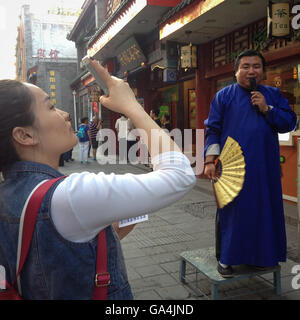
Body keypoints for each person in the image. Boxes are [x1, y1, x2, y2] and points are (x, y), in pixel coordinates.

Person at [0, 58, 196, 300]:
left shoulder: (7, 194)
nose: (64, 114)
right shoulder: (70, 194)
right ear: (25, 135)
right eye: (50, 107)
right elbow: (180, 175)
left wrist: (101, 237)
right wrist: (132, 106)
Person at [203, 49, 297, 278]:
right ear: (236, 71)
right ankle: (226, 259)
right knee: (232, 211)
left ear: (263, 71)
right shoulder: (224, 96)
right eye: (245, 66)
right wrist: (209, 160)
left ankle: (262, 258)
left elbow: (289, 123)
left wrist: (268, 109)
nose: (251, 71)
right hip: (232, 167)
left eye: (256, 66)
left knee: (264, 211)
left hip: (266, 166)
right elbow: (213, 129)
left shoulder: (273, 95)